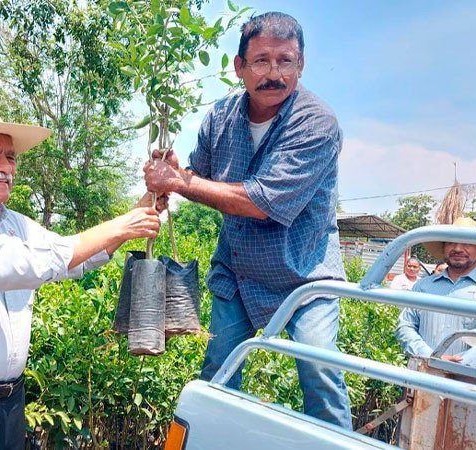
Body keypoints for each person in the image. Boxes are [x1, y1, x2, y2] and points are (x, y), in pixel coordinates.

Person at [0, 106, 161, 449]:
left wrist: (140, 211)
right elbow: (17, 264)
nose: (5, 167)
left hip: (8, 408)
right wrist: (121, 226)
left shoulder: (15, 223)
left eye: (10, 157)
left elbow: (72, 260)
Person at [143, 12, 351, 428]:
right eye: (261, 61)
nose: (274, 73)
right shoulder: (220, 117)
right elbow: (198, 175)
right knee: (218, 371)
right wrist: (175, 173)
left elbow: (262, 201)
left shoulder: (317, 123)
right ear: (239, 67)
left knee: (320, 376)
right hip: (238, 272)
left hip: (304, 274)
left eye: (285, 61)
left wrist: (179, 182)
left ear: (301, 64)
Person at [395, 217, 476, 369]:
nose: (457, 248)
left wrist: (454, 364)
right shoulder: (422, 287)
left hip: (467, 378)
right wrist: (429, 356)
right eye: (451, 242)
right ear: (444, 247)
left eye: (467, 243)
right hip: (422, 373)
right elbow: (405, 326)